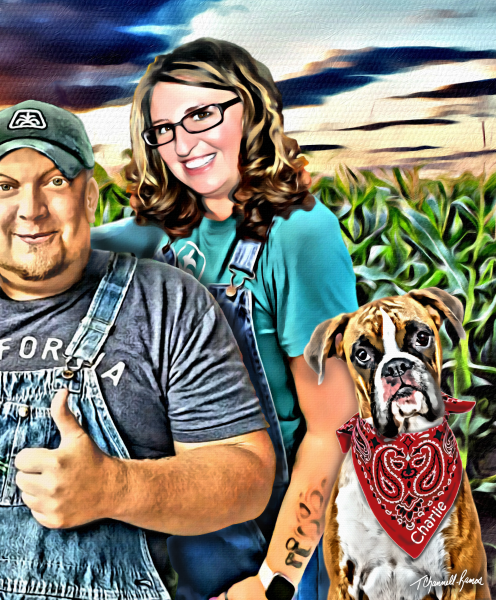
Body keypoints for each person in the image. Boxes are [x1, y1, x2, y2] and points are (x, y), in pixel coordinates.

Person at [0, 99, 275, 600]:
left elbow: (246, 475)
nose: (31, 210)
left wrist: (117, 488)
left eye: (55, 182)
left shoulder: (168, 302)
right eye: (6, 186)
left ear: (91, 196)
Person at [91, 39, 359, 600]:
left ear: (252, 108)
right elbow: (61, 252)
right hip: (186, 523)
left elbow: (335, 430)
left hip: (273, 538)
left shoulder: (300, 234)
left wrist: (273, 581)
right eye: (162, 129)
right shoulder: (162, 233)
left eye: (201, 115)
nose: (183, 144)